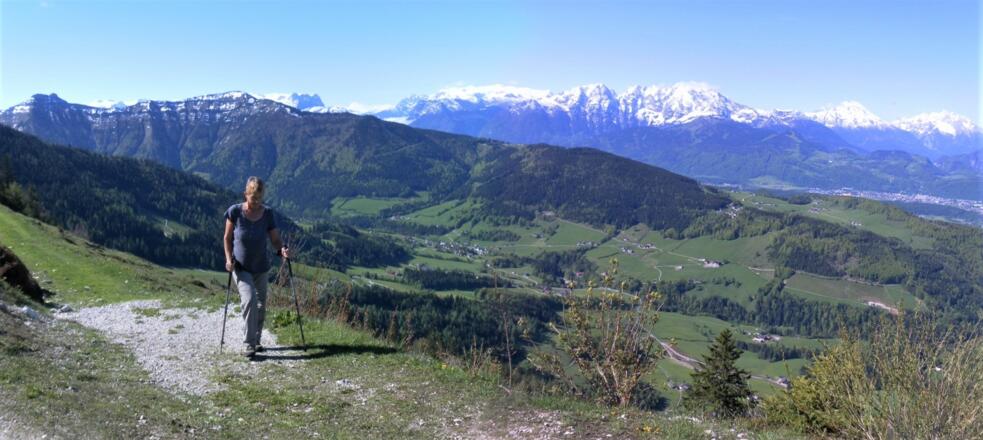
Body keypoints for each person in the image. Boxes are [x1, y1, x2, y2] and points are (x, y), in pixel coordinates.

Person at [224, 176, 289, 357]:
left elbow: (275, 240)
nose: (256, 203)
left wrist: (282, 250)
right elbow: (227, 238)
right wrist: (229, 259)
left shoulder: (267, 213)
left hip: (261, 266)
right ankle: (248, 344)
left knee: (261, 305)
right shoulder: (234, 212)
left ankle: (257, 340)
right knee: (250, 299)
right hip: (240, 266)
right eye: (253, 199)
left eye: (259, 199)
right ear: (246, 194)